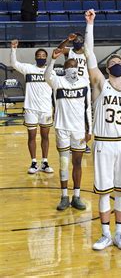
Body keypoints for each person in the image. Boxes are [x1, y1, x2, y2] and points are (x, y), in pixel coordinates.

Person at [82, 9, 121, 250]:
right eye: (112, 63)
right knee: (104, 191)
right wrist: (90, 25)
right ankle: (105, 234)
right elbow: (89, 54)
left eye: (119, 62)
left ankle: (119, 233)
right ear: (107, 70)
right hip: (103, 143)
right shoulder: (100, 85)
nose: (116, 64)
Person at [45, 50, 91, 211]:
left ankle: (76, 196)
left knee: (77, 162)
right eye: (69, 66)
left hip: (79, 129)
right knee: (64, 164)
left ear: (78, 68)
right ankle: (64, 196)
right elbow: (46, 76)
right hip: (62, 128)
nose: (72, 68)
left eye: (74, 66)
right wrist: (52, 60)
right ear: (65, 69)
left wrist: (89, 129)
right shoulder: (58, 82)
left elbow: (88, 107)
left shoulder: (84, 82)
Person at [10, 41, 54, 174]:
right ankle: (34, 162)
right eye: (38, 55)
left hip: (46, 108)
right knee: (32, 136)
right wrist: (13, 49)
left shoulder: (51, 72)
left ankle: (45, 162)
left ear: (46, 58)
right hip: (30, 108)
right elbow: (14, 64)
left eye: (43, 55)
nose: (41, 57)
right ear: (35, 57)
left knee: (45, 136)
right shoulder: (29, 68)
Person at [57, 32, 92, 153]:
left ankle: (83, 142)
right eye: (75, 40)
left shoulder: (87, 53)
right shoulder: (69, 51)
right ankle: (70, 142)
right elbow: (58, 49)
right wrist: (67, 39)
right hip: (69, 83)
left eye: (79, 40)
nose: (77, 42)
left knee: (84, 112)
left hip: (83, 84)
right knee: (69, 112)